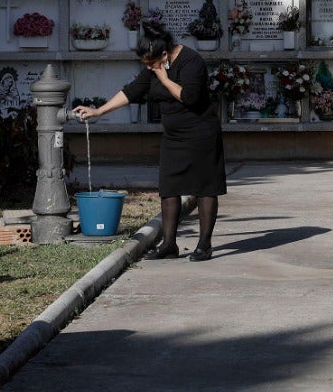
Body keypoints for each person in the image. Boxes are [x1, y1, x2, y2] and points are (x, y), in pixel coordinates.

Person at [72, 19, 225, 261]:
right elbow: (132, 90)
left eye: (150, 63)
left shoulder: (191, 62)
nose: (148, 67)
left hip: (201, 134)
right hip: (174, 136)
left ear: (164, 53)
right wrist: (98, 111)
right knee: (168, 187)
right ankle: (169, 244)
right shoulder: (155, 65)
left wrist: (164, 78)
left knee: (205, 188)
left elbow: (190, 97)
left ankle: (204, 245)